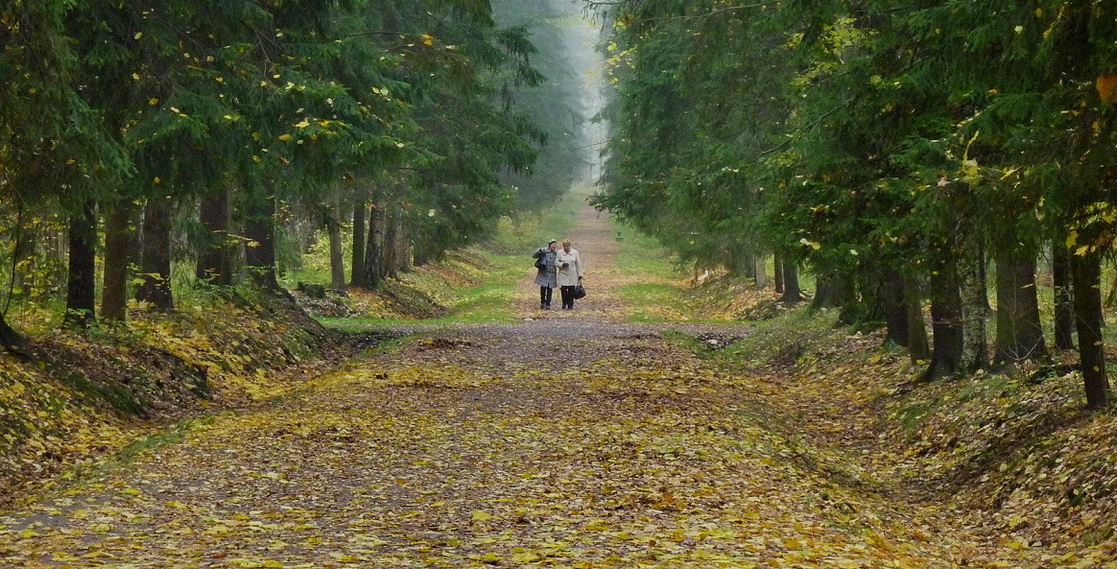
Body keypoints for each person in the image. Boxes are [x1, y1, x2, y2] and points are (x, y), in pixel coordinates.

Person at [555, 239, 584, 310]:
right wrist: (562, 264)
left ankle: (570, 304)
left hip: (572, 274)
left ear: (569, 246)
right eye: (564, 246)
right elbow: (556, 262)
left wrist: (580, 274)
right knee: (563, 290)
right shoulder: (559, 253)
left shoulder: (575, 252)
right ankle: (564, 303)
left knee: (571, 290)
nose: (566, 248)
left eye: (567, 246)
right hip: (563, 274)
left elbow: (578, 264)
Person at [532, 239, 559, 309]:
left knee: (550, 289)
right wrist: (539, 252)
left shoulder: (556, 253)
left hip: (552, 273)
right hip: (543, 272)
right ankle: (542, 301)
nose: (554, 246)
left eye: (555, 245)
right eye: (553, 245)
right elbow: (534, 256)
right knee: (543, 287)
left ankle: (548, 303)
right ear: (549, 245)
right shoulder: (543, 250)